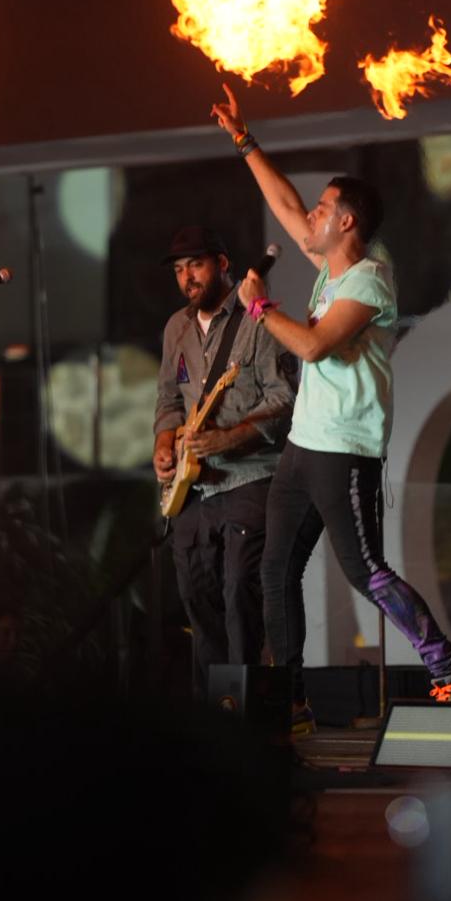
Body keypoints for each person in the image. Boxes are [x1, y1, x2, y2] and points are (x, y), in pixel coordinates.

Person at [208, 85, 451, 729]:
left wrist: (259, 306)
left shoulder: (370, 279)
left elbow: (314, 345)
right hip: (303, 447)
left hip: (346, 450)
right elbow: (285, 204)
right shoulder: (328, 266)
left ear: (346, 224)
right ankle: (290, 702)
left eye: (324, 208)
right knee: (275, 572)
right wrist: (245, 141)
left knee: (365, 570)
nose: (310, 214)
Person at [154, 225, 297, 698]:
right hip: (194, 488)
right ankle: (215, 712)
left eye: (195, 265)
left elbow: (285, 401)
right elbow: (168, 401)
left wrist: (228, 439)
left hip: (249, 478)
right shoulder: (176, 329)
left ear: (222, 264)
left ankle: (252, 708)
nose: (187, 278)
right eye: (179, 270)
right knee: (197, 597)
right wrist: (163, 445)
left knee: (240, 592)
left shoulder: (258, 319)